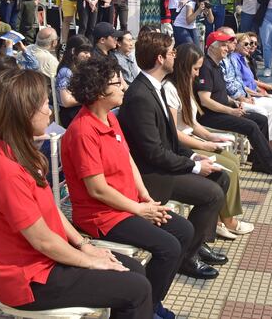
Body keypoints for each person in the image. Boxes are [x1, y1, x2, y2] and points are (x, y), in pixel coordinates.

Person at [0, 68, 152, 316]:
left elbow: (51, 210)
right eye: (45, 105)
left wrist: (83, 245)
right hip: (29, 280)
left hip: (47, 262)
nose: (49, 111)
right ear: (23, 113)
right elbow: (42, 240)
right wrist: (90, 261)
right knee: (136, 288)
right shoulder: (4, 169)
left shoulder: (22, 153)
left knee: (134, 270)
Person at [62, 56, 192, 318]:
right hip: (101, 215)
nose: (124, 86)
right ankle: (146, 306)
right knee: (168, 246)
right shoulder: (82, 131)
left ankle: (151, 303)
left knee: (184, 230)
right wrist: (139, 209)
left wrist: (144, 196)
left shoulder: (110, 118)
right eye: (117, 82)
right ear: (99, 92)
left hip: (127, 205)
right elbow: (97, 189)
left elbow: (127, 158)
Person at [117, 31, 230, 280]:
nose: (175, 56)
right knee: (212, 193)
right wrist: (194, 168)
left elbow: (169, 138)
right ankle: (186, 259)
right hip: (151, 175)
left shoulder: (155, 87)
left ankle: (197, 244)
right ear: (160, 58)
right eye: (171, 52)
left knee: (221, 177)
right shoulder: (140, 96)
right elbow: (153, 152)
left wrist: (193, 158)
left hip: (163, 164)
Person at [165, 42, 254, 240]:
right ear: (184, 66)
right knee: (226, 169)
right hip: (183, 145)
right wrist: (205, 145)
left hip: (192, 138)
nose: (198, 74)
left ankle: (224, 217)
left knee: (232, 161)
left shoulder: (184, 85)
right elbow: (174, 131)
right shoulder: (170, 89)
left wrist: (211, 137)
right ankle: (224, 220)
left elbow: (192, 122)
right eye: (195, 69)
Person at [195, 31, 272, 179]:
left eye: (226, 45)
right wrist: (230, 111)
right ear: (211, 48)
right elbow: (205, 100)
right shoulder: (206, 68)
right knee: (251, 126)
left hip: (224, 110)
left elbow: (220, 94)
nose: (227, 48)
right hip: (210, 115)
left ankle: (259, 161)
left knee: (261, 119)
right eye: (223, 45)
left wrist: (234, 102)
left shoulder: (217, 66)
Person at [220, 31, 272, 153]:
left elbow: (240, 82)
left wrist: (252, 93)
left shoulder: (240, 59)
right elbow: (232, 85)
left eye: (253, 44)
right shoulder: (232, 59)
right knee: (267, 107)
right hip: (236, 100)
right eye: (247, 44)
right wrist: (245, 96)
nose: (250, 46)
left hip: (246, 95)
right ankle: (269, 145)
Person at [56, 35, 93, 127]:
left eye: (89, 52)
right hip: (71, 114)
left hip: (81, 110)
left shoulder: (82, 68)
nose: (88, 55)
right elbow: (66, 101)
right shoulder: (66, 72)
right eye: (84, 52)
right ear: (73, 51)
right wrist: (89, 97)